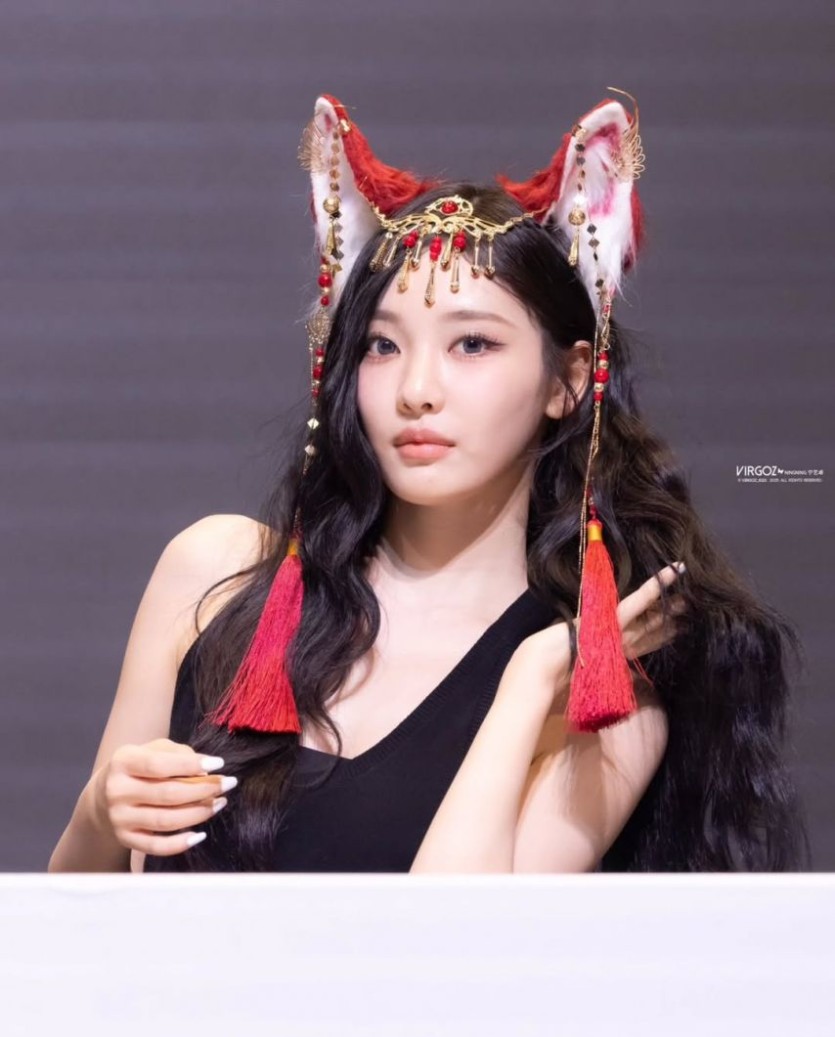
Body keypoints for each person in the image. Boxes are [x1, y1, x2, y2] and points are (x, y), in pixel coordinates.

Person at [48, 92, 810, 874]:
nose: (416, 390)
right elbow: (65, 920)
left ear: (568, 380)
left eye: (471, 344)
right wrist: (99, 812)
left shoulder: (599, 697)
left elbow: (454, 940)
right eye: (382, 346)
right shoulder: (218, 574)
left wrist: (524, 687)